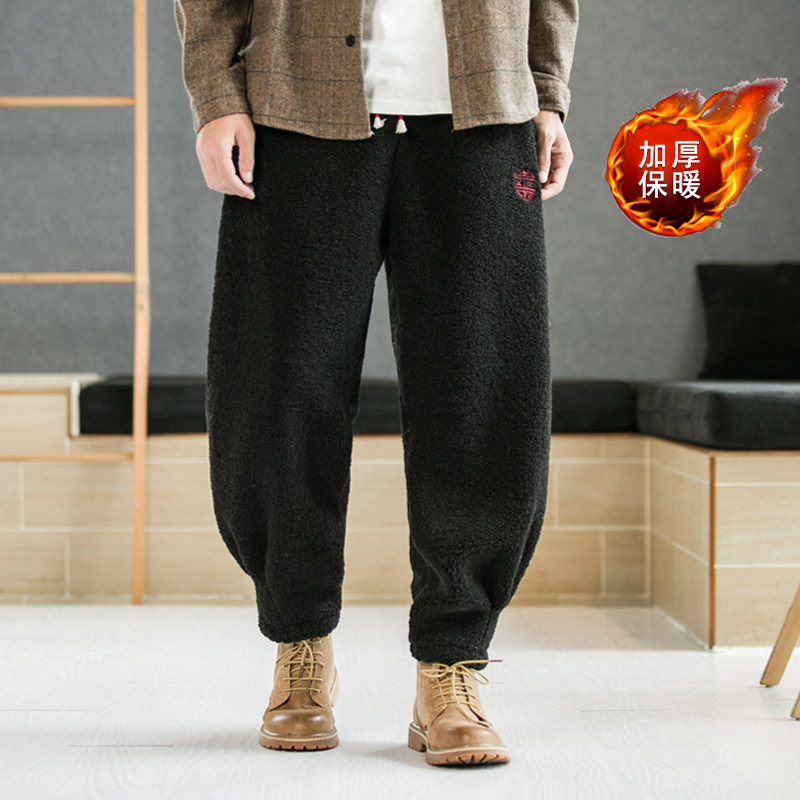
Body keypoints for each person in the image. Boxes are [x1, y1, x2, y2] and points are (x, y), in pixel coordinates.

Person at [174, 0, 578, 767]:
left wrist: (547, 91)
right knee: (279, 388)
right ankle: (300, 646)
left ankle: (452, 667)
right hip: (298, 105)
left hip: (485, 114)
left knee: (481, 391)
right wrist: (217, 97)